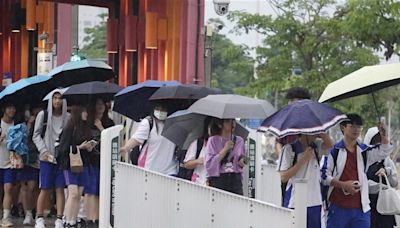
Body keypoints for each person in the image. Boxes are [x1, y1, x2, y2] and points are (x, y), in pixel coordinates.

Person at [321, 114, 394, 228]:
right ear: (343, 127)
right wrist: (343, 185)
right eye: (352, 126)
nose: (356, 129)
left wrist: (384, 134)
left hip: (361, 210)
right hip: (338, 209)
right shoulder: (334, 151)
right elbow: (324, 176)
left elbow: (384, 150)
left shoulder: (364, 151)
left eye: (359, 126)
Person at [277, 132, 333, 228]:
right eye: (313, 131)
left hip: (315, 202)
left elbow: (330, 144)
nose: (316, 134)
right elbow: (284, 176)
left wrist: (321, 131)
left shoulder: (317, 146)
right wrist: (304, 159)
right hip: (295, 202)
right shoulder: (289, 149)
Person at [33, 89, 70, 228]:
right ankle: (39, 218)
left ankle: (59, 219)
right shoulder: (43, 115)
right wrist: (43, 151)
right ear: (51, 99)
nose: (57, 101)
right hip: (45, 158)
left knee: (60, 188)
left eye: (60, 98)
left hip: (61, 158)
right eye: (55, 98)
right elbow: (36, 135)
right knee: (45, 188)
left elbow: (69, 136)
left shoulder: (68, 117)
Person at [56, 105, 95, 227]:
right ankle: (67, 220)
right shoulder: (69, 127)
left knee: (79, 195)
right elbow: (62, 149)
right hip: (70, 165)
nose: (86, 114)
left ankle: (73, 220)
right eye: (84, 111)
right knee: (73, 193)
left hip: (84, 165)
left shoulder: (85, 128)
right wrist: (79, 147)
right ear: (78, 112)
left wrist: (90, 147)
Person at [274, 87, 311, 206]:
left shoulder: (311, 122)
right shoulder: (284, 122)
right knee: (287, 203)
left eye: (294, 101)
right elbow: (278, 142)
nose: (291, 104)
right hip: (289, 166)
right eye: (290, 101)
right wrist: (282, 157)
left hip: (308, 169)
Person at [120, 103, 178, 175]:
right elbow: (136, 138)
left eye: (163, 108)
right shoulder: (148, 123)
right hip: (149, 170)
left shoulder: (175, 124)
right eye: (157, 108)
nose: (160, 111)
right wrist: (126, 148)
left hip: (170, 171)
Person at [85, 98, 114, 227]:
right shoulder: (87, 123)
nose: (101, 106)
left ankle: (97, 219)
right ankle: (89, 219)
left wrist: (101, 127)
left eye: (103, 104)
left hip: (104, 161)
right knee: (90, 191)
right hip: (90, 160)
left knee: (99, 191)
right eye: (97, 104)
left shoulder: (109, 122)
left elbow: (112, 139)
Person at [363, 127, 398, 228]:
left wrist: (387, 171)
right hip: (368, 206)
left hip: (385, 206)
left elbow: (394, 182)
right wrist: (376, 186)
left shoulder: (386, 160)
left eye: (380, 141)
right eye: (375, 141)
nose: (378, 145)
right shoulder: (362, 160)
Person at [205, 118, 246, 195]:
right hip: (219, 179)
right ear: (220, 124)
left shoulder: (239, 140)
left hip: (235, 179)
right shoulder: (213, 140)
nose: (232, 124)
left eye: (233, 121)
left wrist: (242, 162)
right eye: (227, 121)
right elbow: (209, 164)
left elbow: (241, 159)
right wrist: (225, 149)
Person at [0, 103, 17, 227]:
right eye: (9, 107)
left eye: (13, 108)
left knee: (9, 188)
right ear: (4, 109)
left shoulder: (17, 126)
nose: (12, 110)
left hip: (10, 163)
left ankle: (6, 217)